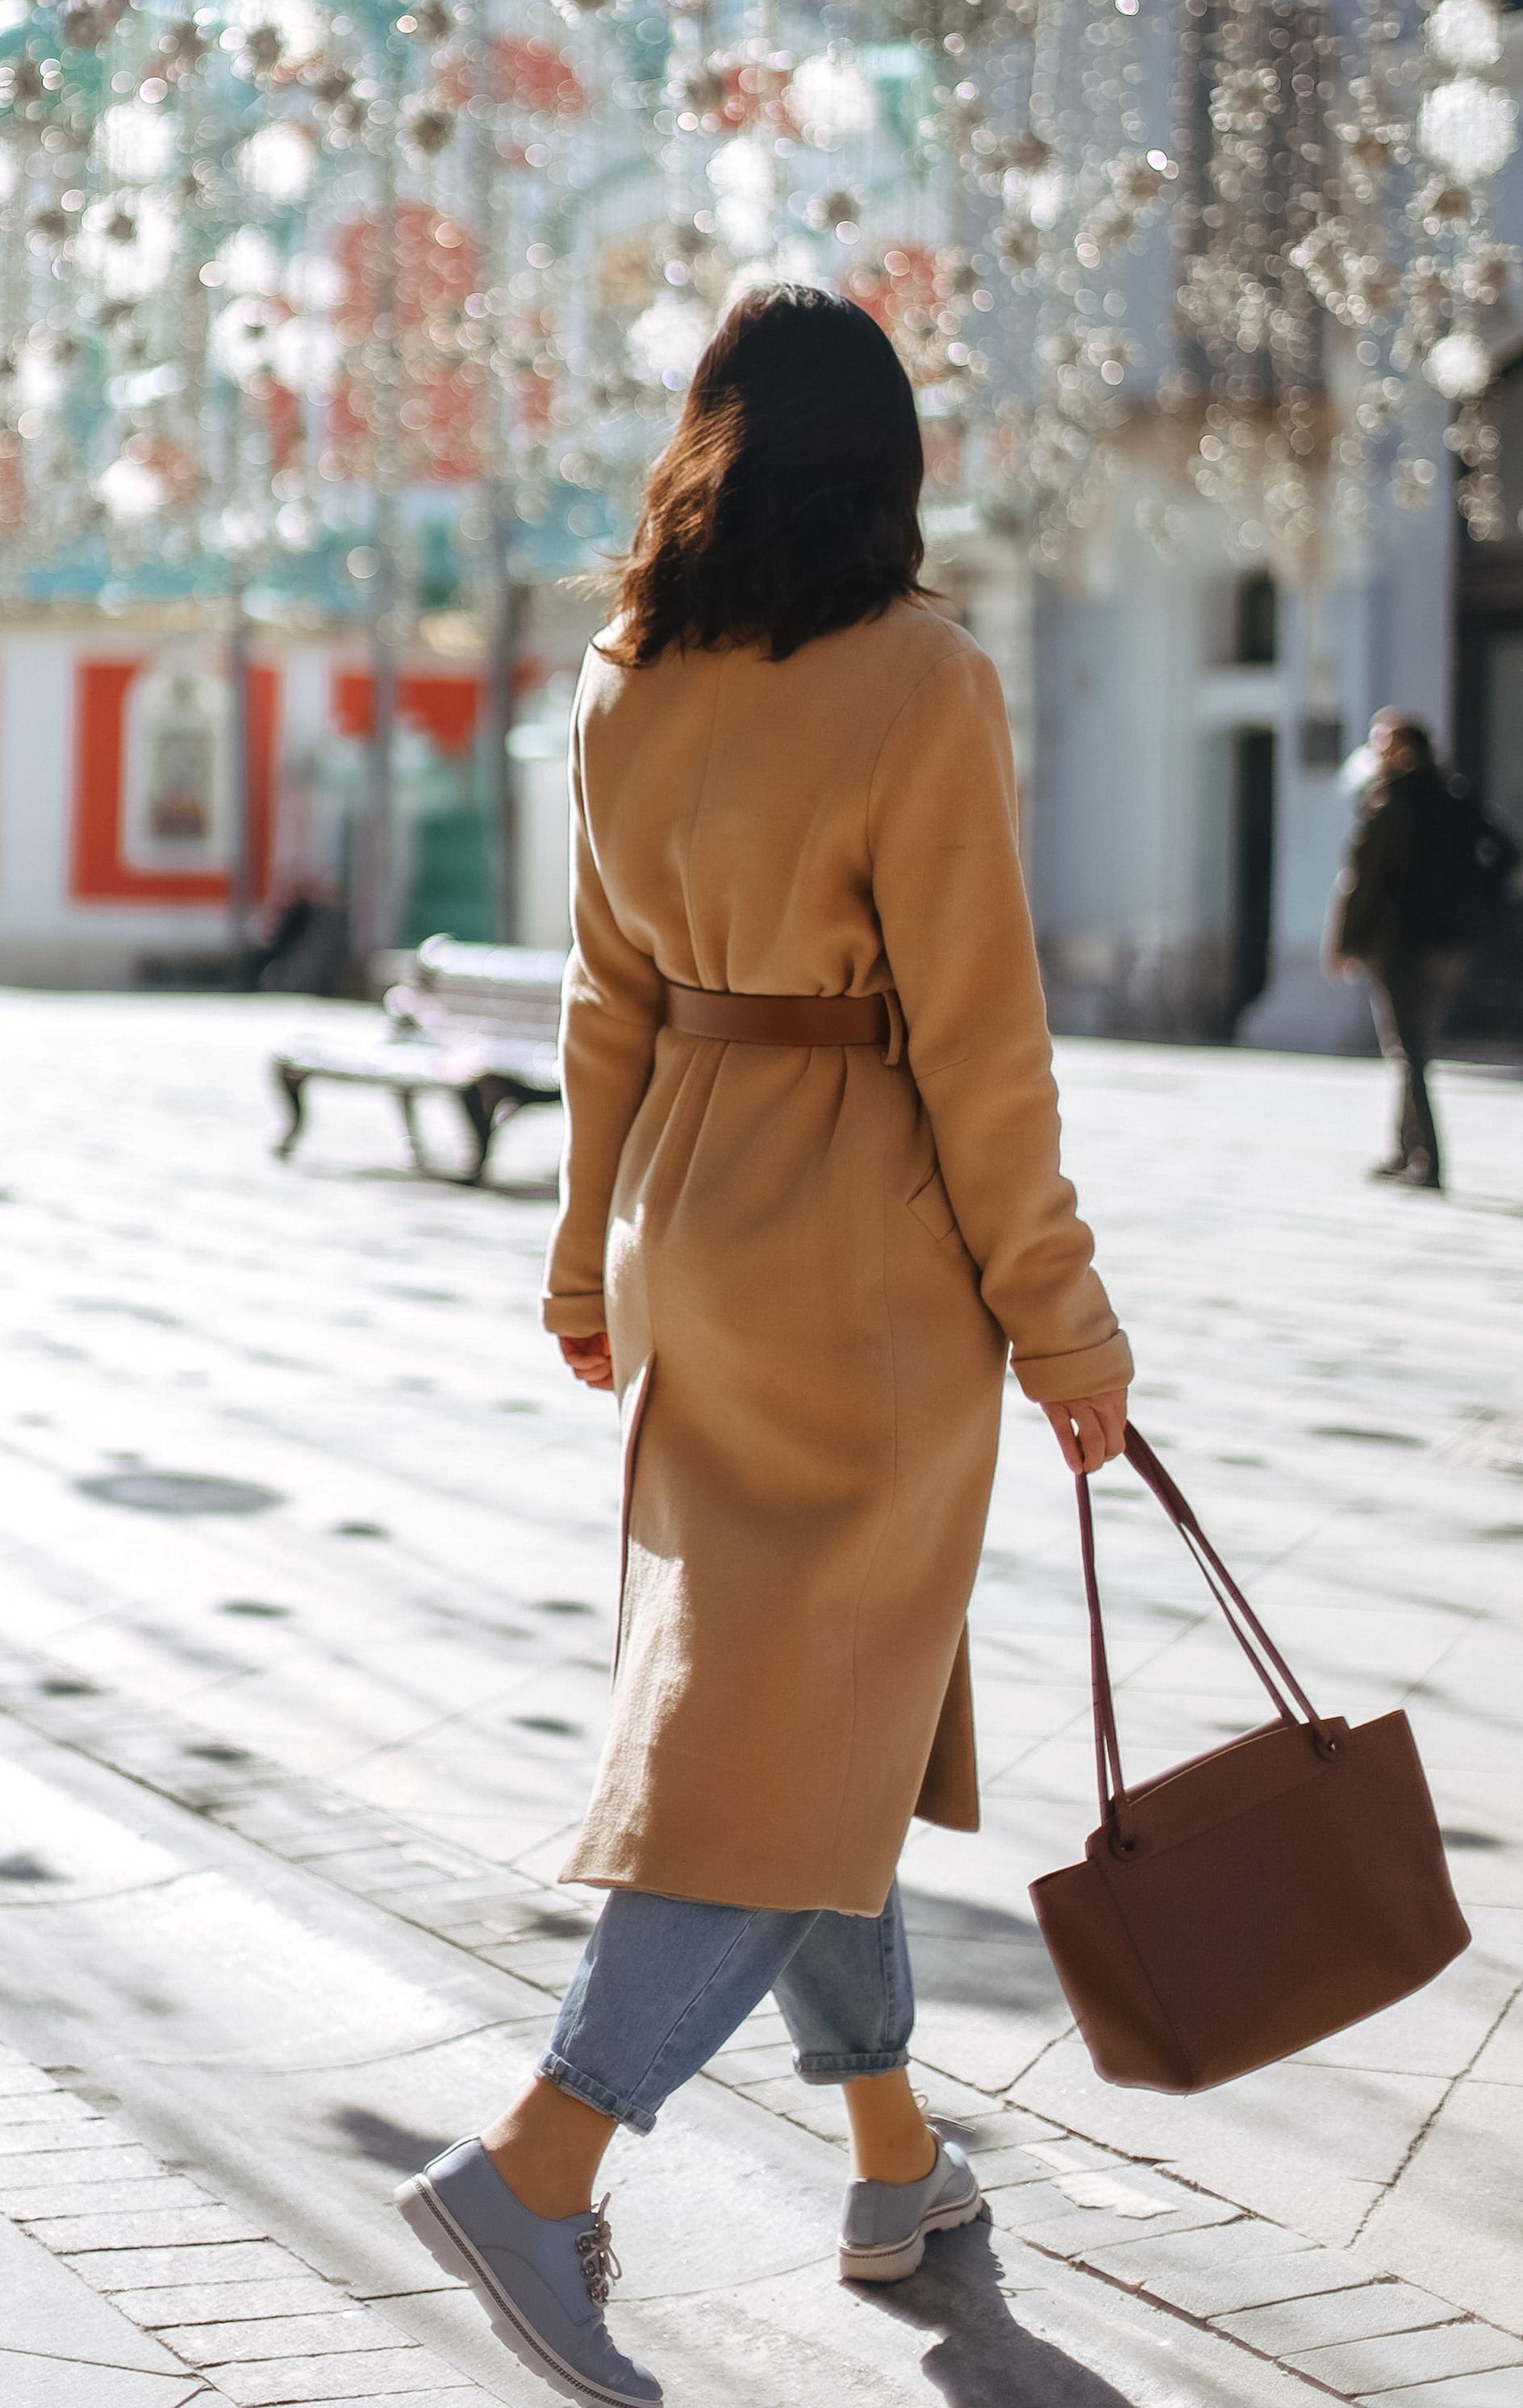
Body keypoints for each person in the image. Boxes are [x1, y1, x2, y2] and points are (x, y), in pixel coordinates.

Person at [394, 290, 1133, 2408]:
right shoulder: (921, 680)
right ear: (879, 463)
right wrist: (1062, 1318)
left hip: (689, 1228)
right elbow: (984, 1047)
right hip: (866, 1255)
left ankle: (895, 2161)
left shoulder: (623, 682)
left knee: (815, 1702)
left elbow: (598, 1004)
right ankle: (543, 2160)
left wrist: (577, 1263)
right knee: (772, 1745)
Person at [1327, 708, 1514, 1192]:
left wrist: (1345, 943)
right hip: (1451, 945)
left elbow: (1362, 882)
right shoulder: (1456, 798)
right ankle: (1404, 1150)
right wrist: (1477, 908)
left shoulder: (1391, 803)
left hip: (1402, 945)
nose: (1376, 754)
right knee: (1411, 1048)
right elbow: (1506, 851)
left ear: (1405, 750)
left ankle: (1427, 1161)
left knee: (1410, 1050)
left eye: (1383, 744)